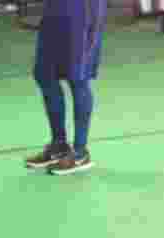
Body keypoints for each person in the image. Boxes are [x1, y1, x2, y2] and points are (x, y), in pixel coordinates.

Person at [25, 0, 108, 175]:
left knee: (78, 77)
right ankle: (59, 146)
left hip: (84, 9)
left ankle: (80, 152)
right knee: (44, 74)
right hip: (56, 8)